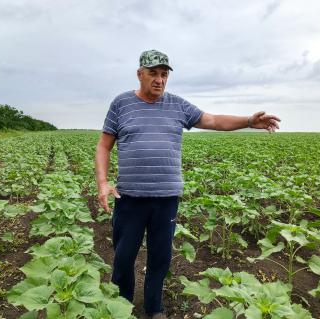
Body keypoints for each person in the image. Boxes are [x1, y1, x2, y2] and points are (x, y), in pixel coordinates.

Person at [95, 49, 280, 319]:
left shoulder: (178, 105)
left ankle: (154, 308)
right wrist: (102, 182)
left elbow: (213, 120)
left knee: (160, 258)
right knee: (123, 257)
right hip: (130, 198)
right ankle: (120, 308)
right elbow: (103, 146)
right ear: (139, 74)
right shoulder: (121, 104)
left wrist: (249, 121)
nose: (159, 80)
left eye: (164, 74)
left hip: (166, 198)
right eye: (153, 74)